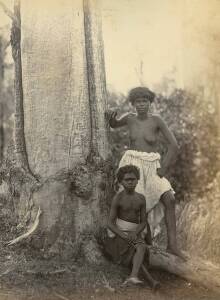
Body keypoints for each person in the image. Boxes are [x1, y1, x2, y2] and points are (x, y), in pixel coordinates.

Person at [107, 86, 184, 259]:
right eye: (137, 102)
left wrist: (163, 168)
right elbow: (113, 123)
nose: (141, 105)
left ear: (150, 103)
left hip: (152, 165)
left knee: (169, 198)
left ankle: (173, 246)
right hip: (132, 164)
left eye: (144, 101)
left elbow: (174, 145)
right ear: (133, 104)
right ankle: (142, 247)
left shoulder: (156, 120)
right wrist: (111, 115)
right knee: (137, 205)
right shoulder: (129, 118)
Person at [106, 165, 159, 288]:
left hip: (134, 232)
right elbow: (110, 223)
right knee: (131, 249)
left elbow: (143, 222)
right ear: (121, 181)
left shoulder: (141, 198)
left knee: (141, 247)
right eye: (127, 180)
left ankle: (133, 276)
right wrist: (123, 235)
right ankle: (145, 279)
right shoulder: (118, 198)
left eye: (133, 179)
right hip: (120, 232)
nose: (130, 182)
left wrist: (135, 233)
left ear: (137, 179)